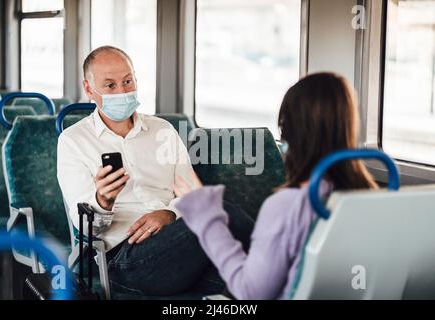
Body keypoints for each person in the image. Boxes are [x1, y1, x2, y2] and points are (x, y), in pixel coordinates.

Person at [57, 46, 254, 297]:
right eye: (110, 85)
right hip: (125, 260)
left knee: (239, 263)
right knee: (223, 212)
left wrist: (169, 213)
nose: (122, 91)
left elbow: (193, 194)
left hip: (179, 246)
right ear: (89, 89)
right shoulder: (73, 141)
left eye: (128, 81)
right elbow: (85, 228)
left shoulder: (163, 130)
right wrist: (102, 201)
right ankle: (294, 265)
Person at [173, 72, 378, 300]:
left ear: (287, 131)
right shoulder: (372, 199)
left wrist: (206, 218)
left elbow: (250, 293)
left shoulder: (288, 205)